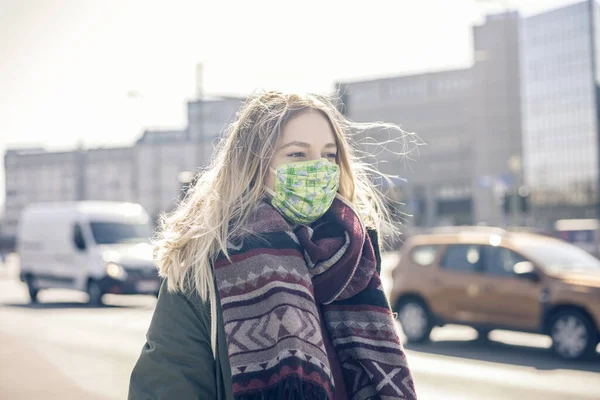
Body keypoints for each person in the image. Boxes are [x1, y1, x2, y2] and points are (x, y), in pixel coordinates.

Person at [129, 91, 417, 400]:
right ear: (254, 165)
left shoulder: (354, 262)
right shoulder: (204, 269)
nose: (318, 168)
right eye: (297, 155)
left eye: (329, 155)